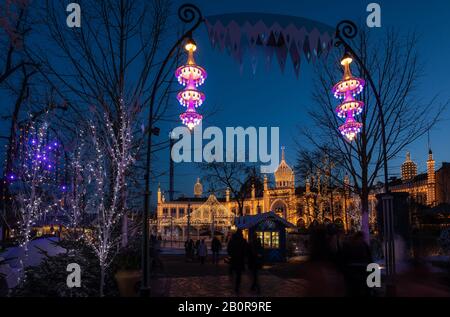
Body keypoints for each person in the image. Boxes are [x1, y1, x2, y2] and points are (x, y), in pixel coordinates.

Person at [227, 229, 248, 294]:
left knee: (234, 271)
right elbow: (246, 250)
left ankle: (235, 284)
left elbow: (228, 249)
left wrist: (232, 254)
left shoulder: (232, 240)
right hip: (240, 259)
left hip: (234, 259)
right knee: (239, 274)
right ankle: (237, 286)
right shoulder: (243, 241)